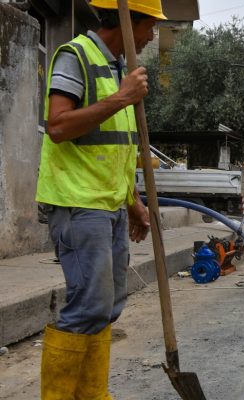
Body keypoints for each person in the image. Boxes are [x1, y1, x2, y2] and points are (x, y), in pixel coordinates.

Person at [35, 1, 164, 398]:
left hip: (110, 207)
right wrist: (121, 99)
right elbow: (58, 126)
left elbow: (114, 151)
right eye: (149, 25)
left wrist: (134, 203)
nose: (152, 36)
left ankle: (93, 395)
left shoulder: (117, 71)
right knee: (88, 307)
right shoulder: (76, 56)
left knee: (108, 308)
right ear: (126, 23)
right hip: (78, 203)